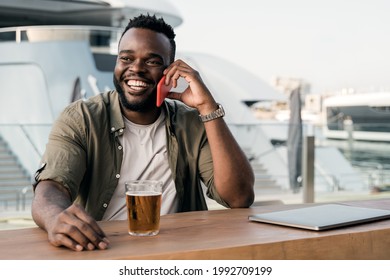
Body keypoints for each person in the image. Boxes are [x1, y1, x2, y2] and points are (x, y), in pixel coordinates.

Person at [32, 14, 255, 252]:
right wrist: (55, 217)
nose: (136, 69)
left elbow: (239, 197)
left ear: (171, 72)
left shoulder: (192, 123)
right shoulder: (82, 118)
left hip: (179, 253)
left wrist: (208, 107)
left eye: (152, 61)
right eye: (126, 58)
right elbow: (52, 186)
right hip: (103, 251)